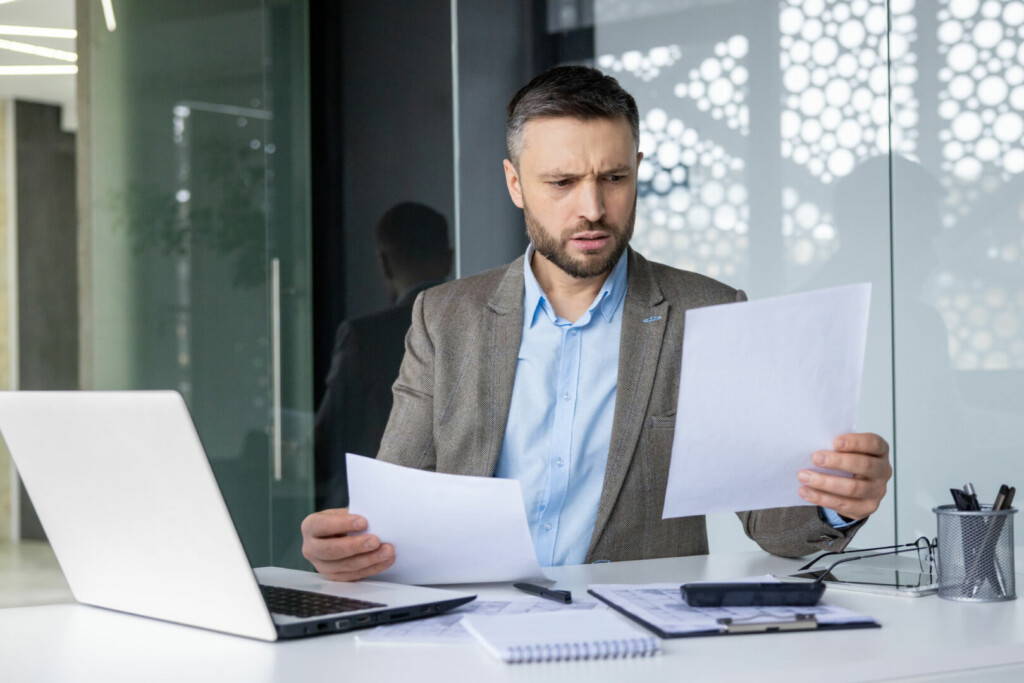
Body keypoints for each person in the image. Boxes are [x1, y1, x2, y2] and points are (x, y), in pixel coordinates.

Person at [301, 66, 892, 581]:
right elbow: (394, 510)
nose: (592, 208)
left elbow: (775, 527)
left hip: (643, 642)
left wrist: (837, 503)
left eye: (614, 179)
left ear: (637, 171)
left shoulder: (708, 311)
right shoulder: (443, 317)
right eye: (561, 183)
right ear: (515, 184)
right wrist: (349, 548)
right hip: (474, 631)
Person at [313, 202, 452, 509]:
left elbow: (329, 435)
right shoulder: (477, 329)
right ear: (449, 260)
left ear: (384, 263)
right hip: (449, 509)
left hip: (367, 509)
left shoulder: (363, 337)